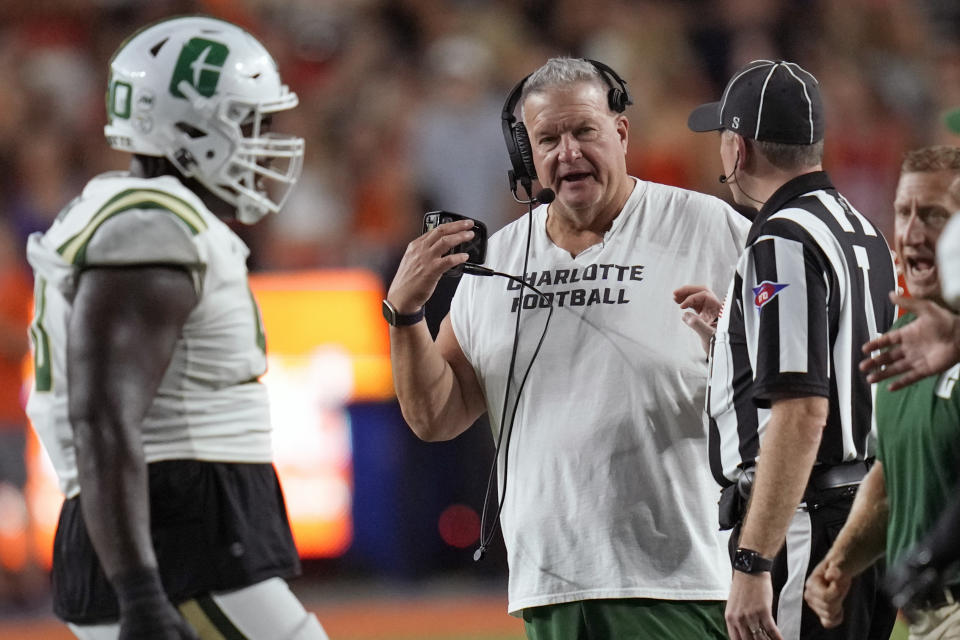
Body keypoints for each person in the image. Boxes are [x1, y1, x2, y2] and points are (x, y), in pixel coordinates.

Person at [385, 56, 749, 639]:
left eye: (584, 131)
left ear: (621, 132)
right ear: (527, 152)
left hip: (681, 579)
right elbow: (436, 416)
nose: (568, 152)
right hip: (550, 585)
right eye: (547, 138)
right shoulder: (499, 259)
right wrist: (404, 315)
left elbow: (788, 377)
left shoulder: (710, 228)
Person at [25, 16, 328, 640]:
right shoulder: (150, 228)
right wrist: (140, 593)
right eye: (250, 123)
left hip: (168, 526)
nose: (263, 140)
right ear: (195, 128)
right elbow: (101, 417)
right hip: (176, 537)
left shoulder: (137, 214)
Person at [680, 59, 898, 640]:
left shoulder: (781, 239)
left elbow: (802, 411)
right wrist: (736, 340)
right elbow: (843, 363)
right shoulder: (863, 231)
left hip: (806, 526)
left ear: (737, 148)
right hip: (866, 517)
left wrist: (753, 560)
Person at [803, 146, 960, 638]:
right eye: (903, 212)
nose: (912, 232)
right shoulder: (905, 336)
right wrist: (842, 561)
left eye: (934, 215)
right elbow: (893, 475)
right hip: (919, 617)